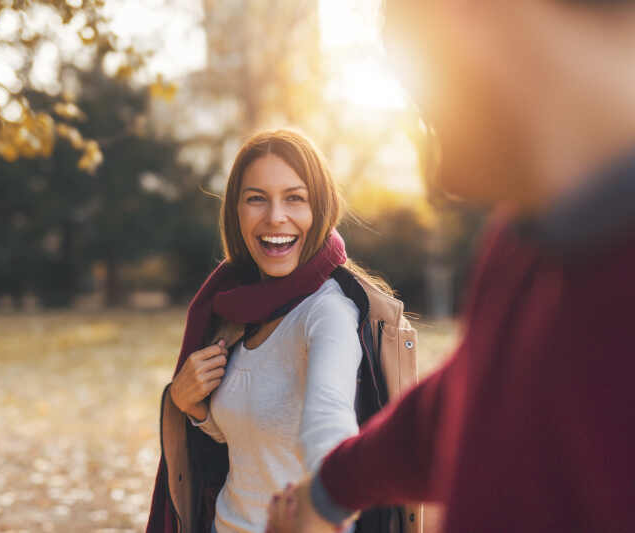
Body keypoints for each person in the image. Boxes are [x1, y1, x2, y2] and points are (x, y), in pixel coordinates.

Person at [266, 1, 635, 532]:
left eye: (426, 100)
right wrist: (329, 491)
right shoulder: (525, 242)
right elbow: (468, 398)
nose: (435, 170)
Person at [145, 129, 421, 533]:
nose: (275, 216)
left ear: (320, 208)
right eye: (256, 198)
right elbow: (249, 438)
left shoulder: (328, 312)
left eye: (295, 198)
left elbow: (330, 421)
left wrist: (328, 505)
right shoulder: (235, 308)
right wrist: (194, 408)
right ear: (236, 212)